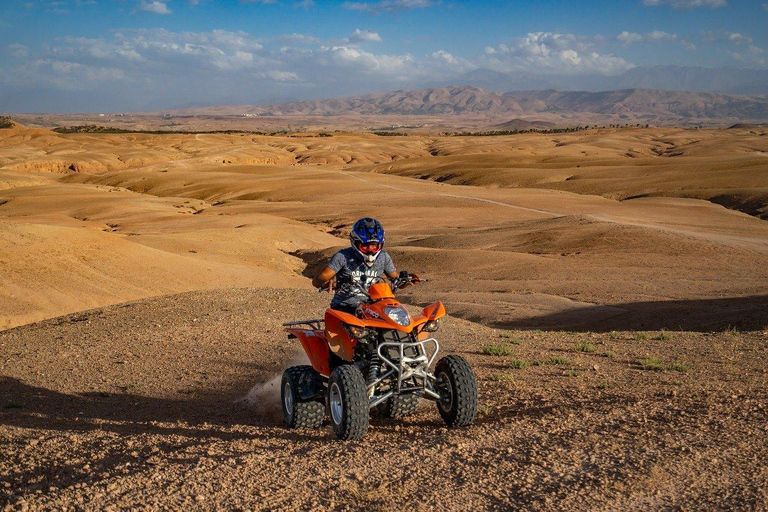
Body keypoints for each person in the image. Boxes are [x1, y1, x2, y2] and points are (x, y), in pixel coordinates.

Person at [312, 217, 403, 315]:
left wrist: (407, 280)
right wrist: (324, 285)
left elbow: (396, 280)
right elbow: (322, 277)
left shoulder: (383, 257)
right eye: (364, 246)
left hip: (373, 308)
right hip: (345, 307)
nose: (370, 250)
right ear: (355, 242)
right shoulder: (343, 256)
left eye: (374, 245)